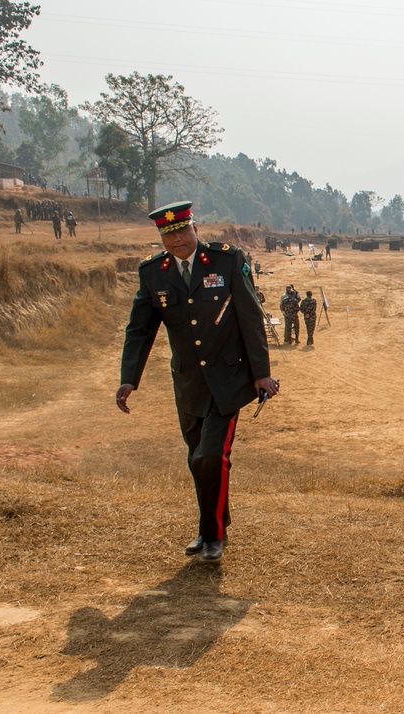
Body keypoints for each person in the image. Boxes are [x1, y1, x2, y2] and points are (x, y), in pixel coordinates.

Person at [115, 201, 278, 563]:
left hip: (229, 380)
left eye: (181, 231)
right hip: (188, 383)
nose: (176, 241)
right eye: (167, 234)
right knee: (197, 459)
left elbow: (251, 317)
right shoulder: (153, 273)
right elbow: (139, 329)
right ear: (161, 237)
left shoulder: (226, 261)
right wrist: (129, 379)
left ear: (195, 228)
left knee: (211, 457)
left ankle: (213, 536)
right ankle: (212, 524)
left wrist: (261, 372)